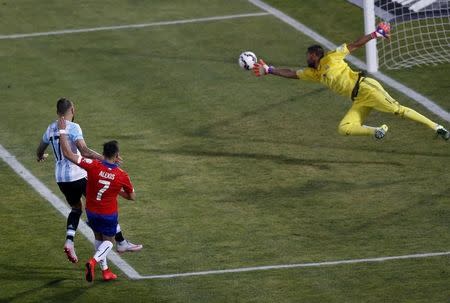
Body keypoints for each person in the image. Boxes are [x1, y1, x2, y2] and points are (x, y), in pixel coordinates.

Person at [253, 22, 450, 141]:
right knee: (344, 127)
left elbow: (355, 44)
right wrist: (269, 70)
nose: (306, 59)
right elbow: (292, 73)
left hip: (367, 88)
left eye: (308, 56)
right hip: (358, 100)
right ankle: (377, 131)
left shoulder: (331, 57)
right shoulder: (314, 73)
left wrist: (376, 34)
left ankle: (437, 127)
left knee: (398, 110)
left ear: (315, 54)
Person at [36, 98, 142, 264]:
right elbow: (84, 151)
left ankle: (69, 241)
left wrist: (40, 156)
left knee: (76, 208)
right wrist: (106, 159)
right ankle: (120, 243)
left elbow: (40, 149)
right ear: (73, 109)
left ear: (57, 112)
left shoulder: (50, 128)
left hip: (61, 178)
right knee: (104, 200)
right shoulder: (73, 127)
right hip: (78, 175)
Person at [58, 117, 136, 282]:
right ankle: (93, 262)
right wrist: (118, 191)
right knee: (109, 242)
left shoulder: (92, 164)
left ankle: (106, 271)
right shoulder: (122, 175)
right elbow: (132, 197)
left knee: (98, 238)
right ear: (117, 155)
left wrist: (62, 130)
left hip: (91, 211)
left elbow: (68, 153)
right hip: (108, 214)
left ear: (104, 153)